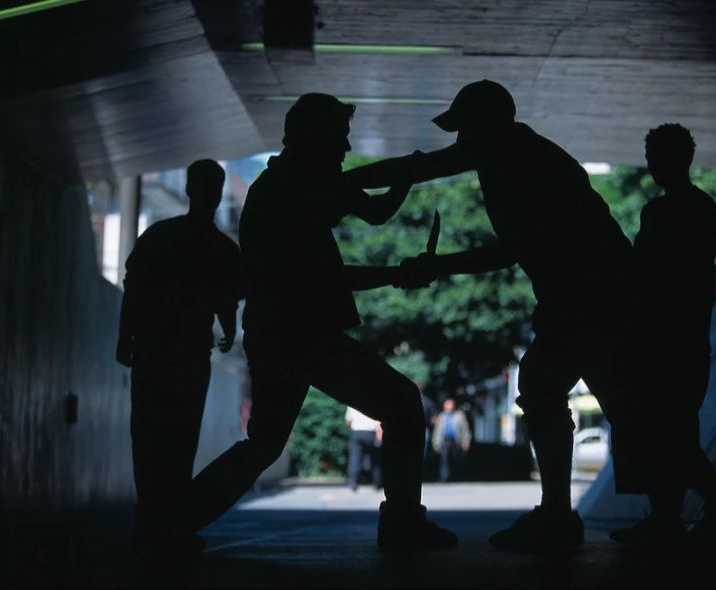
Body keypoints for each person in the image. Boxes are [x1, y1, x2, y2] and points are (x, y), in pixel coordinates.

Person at [343, 79, 636, 553]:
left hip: (591, 294)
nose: (459, 142)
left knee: (550, 387)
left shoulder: (523, 161)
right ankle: (573, 514)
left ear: (487, 127)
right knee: (613, 402)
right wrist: (347, 182)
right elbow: (424, 167)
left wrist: (440, 263)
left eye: (465, 130)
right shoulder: (511, 153)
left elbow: (511, 247)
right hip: (592, 294)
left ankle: (560, 516)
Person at [185, 93, 457, 552]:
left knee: (264, 443)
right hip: (301, 334)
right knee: (403, 404)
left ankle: (172, 522)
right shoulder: (292, 197)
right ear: (314, 141)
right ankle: (402, 523)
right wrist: (396, 270)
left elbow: (371, 211)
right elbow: (332, 272)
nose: (346, 151)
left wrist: (401, 182)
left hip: (279, 333)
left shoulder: (288, 190)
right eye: (339, 141)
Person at [609, 124, 716, 545]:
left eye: (657, 155)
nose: (653, 164)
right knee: (673, 431)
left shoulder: (668, 212)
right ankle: (669, 516)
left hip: (669, 337)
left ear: (677, 159)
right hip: (682, 335)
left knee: (667, 433)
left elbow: (650, 271)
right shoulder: (697, 209)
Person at [115, 159, 241, 560]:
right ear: (217, 193)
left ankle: (149, 523)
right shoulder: (222, 248)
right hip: (190, 355)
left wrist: (124, 336)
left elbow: (134, 288)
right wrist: (227, 328)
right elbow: (226, 296)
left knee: (147, 437)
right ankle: (171, 525)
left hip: (153, 352)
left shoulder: (158, 236)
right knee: (180, 438)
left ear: (187, 189)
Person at [431, 398, 472, 482]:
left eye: (451, 404)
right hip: (445, 441)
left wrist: (466, 441)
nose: (450, 406)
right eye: (448, 404)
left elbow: (465, 429)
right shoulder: (441, 416)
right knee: (444, 459)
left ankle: (458, 476)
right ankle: (444, 477)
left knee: (457, 459)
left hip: (456, 441)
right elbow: (437, 431)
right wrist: (435, 443)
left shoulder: (459, 415)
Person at [345, 406, 382, 491]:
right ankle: (377, 483)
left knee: (354, 458)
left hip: (356, 431)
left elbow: (348, 420)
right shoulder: (373, 401)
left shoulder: (352, 403)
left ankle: (353, 482)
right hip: (370, 432)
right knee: (375, 458)